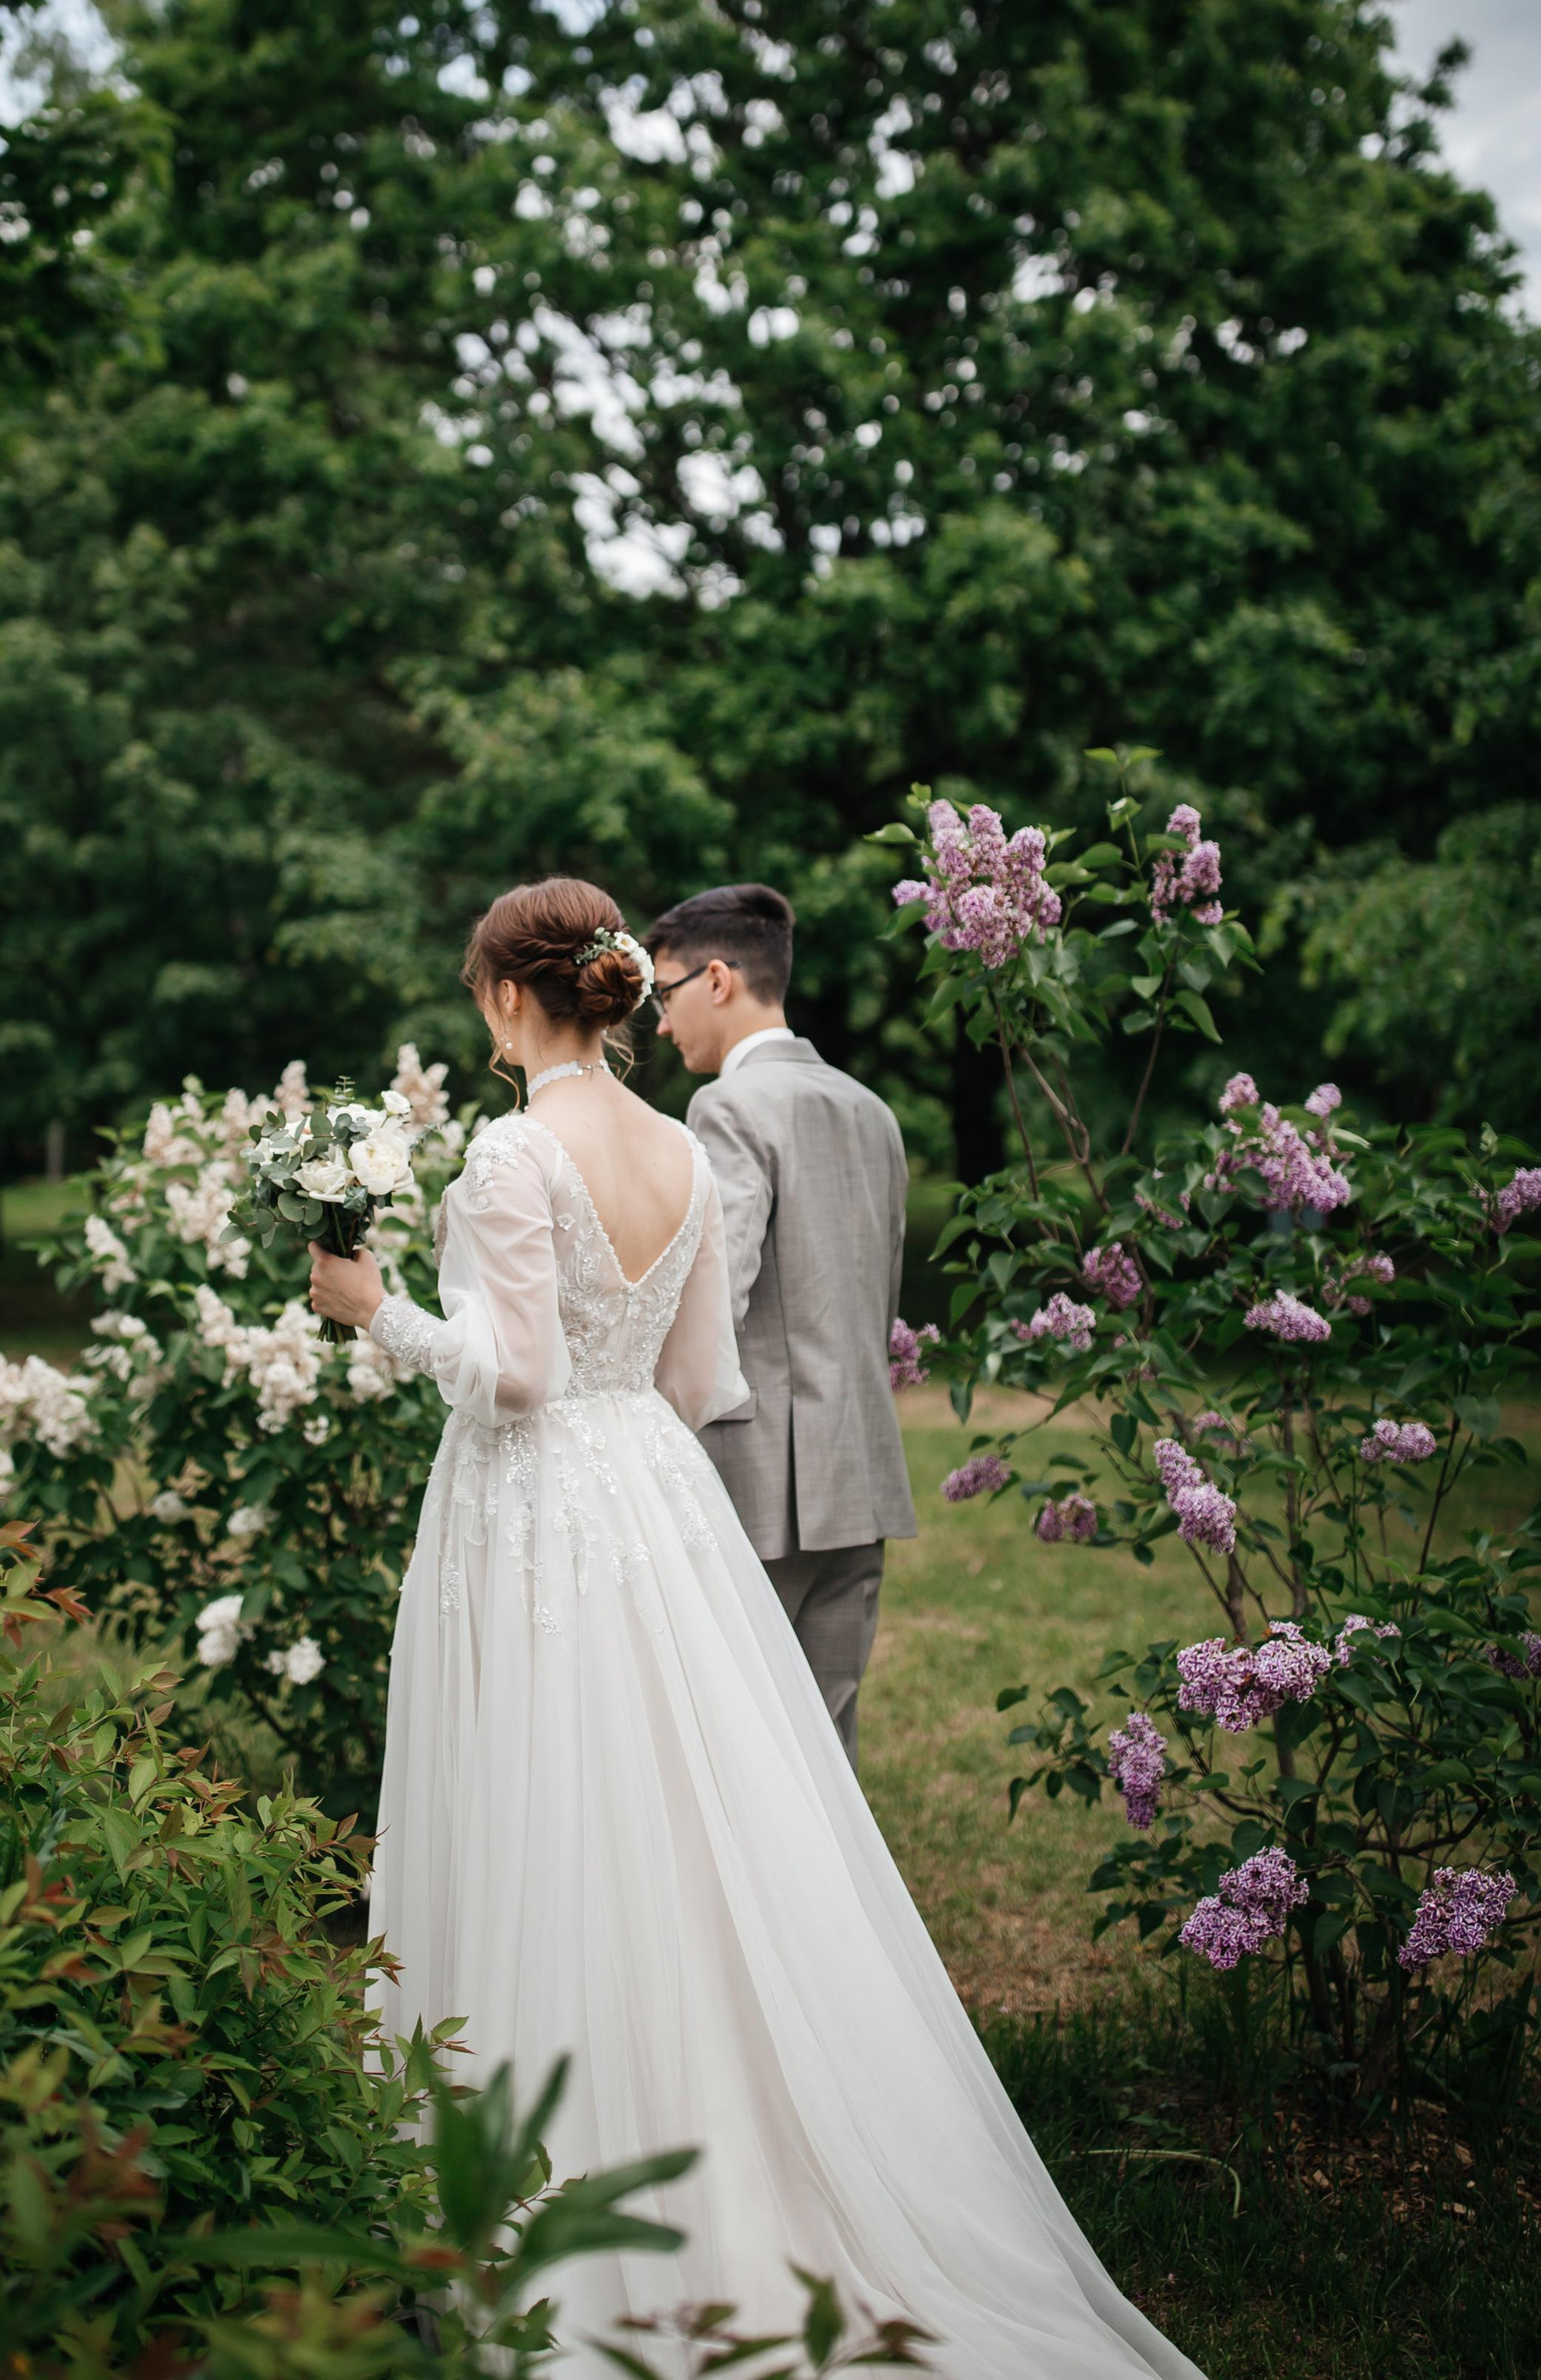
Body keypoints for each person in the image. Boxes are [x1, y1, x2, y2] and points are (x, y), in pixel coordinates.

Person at [308, 877, 1203, 2380]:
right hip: (656, 1497)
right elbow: (701, 1379)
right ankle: (737, 2126)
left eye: (479, 995)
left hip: (534, 1507)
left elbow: (514, 1379)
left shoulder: (516, 1149)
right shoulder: (679, 1143)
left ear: (512, 995)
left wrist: (375, 1310)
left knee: (547, 1809)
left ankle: (528, 2185)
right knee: (687, 1825)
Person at [643, 883, 913, 1764]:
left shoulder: (727, 1108)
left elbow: (713, 1302)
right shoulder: (870, 1110)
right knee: (826, 1750)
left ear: (717, 979)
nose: (660, 1024)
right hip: (860, 1471)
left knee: (739, 1755)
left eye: (665, 993)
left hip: (760, 1485)